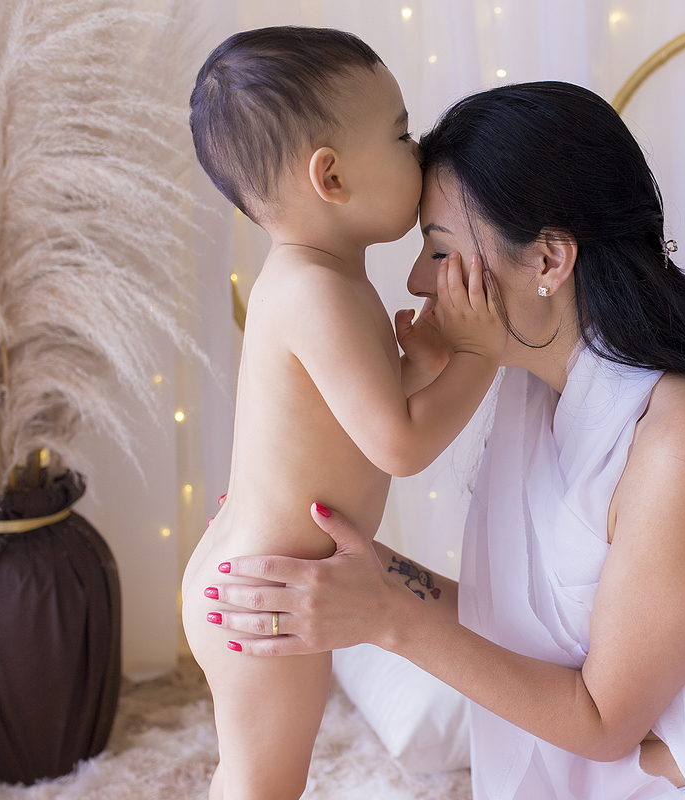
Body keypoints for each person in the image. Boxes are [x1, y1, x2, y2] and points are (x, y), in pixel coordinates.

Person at [204, 82, 685, 799]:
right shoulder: (541, 388)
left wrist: (389, 617)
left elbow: (602, 718)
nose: (417, 279)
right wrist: (329, 561)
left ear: (549, 260)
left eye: (440, 249)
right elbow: (538, 623)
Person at [180, 27, 506, 800]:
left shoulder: (319, 277)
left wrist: (418, 364)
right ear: (329, 176)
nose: (419, 151)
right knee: (263, 784)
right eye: (401, 134)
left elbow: (347, 410)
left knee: (256, 774)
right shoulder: (319, 292)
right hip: (268, 597)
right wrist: (482, 353)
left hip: (259, 573)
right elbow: (399, 445)